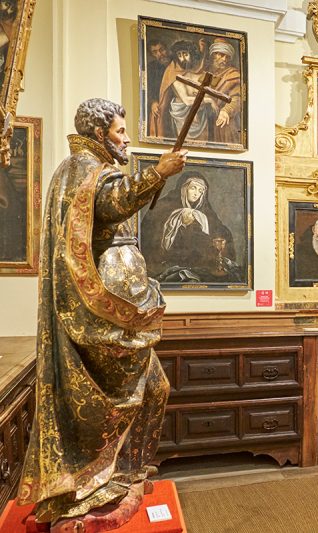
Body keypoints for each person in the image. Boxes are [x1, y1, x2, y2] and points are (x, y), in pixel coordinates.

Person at [17, 99, 186, 529]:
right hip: (102, 315)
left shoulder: (90, 167)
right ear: (98, 134)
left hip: (120, 309)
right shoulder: (83, 168)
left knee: (155, 388)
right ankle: (96, 482)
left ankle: (128, 474)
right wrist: (159, 172)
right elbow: (113, 202)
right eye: (119, 131)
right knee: (121, 399)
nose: (126, 139)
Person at [140, 171, 239, 284]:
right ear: (183, 188)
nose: (196, 194)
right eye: (193, 188)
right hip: (167, 262)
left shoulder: (205, 211)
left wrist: (218, 239)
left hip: (199, 264)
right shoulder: (163, 207)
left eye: (200, 191)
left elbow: (220, 231)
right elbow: (149, 234)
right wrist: (177, 221)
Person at [151, 39, 210, 141]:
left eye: (185, 54)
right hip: (181, 113)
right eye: (179, 55)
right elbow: (186, 100)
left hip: (200, 112)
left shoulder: (195, 68)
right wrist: (153, 101)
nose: (183, 58)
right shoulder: (173, 71)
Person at [207, 38, 242, 144]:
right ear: (213, 55)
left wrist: (226, 110)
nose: (224, 59)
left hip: (224, 121)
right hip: (207, 120)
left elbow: (237, 98)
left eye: (227, 57)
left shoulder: (233, 75)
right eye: (221, 55)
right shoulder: (208, 72)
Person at [146, 39, 171, 134]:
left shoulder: (177, 62)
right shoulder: (151, 68)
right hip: (162, 103)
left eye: (162, 50)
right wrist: (153, 102)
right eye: (155, 52)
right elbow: (149, 88)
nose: (160, 54)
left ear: (167, 49)